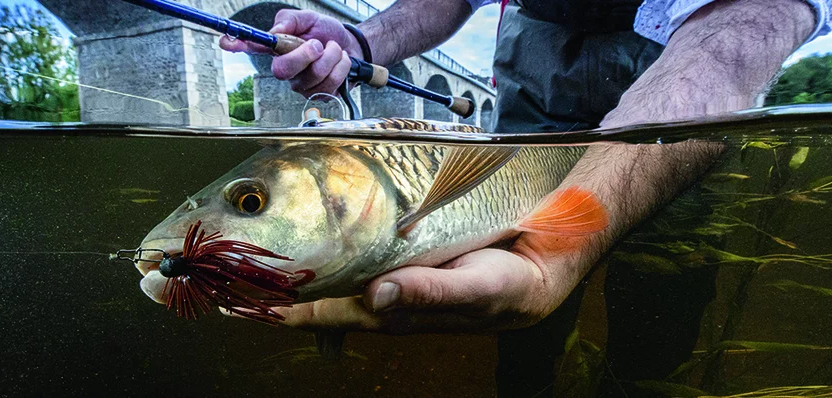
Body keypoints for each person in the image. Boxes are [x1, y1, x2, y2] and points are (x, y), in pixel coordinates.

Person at [221, 0, 825, 395]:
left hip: (688, 70)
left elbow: (731, 46)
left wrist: (561, 251)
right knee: (520, 334)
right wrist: (362, 40)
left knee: (663, 293)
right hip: (533, 66)